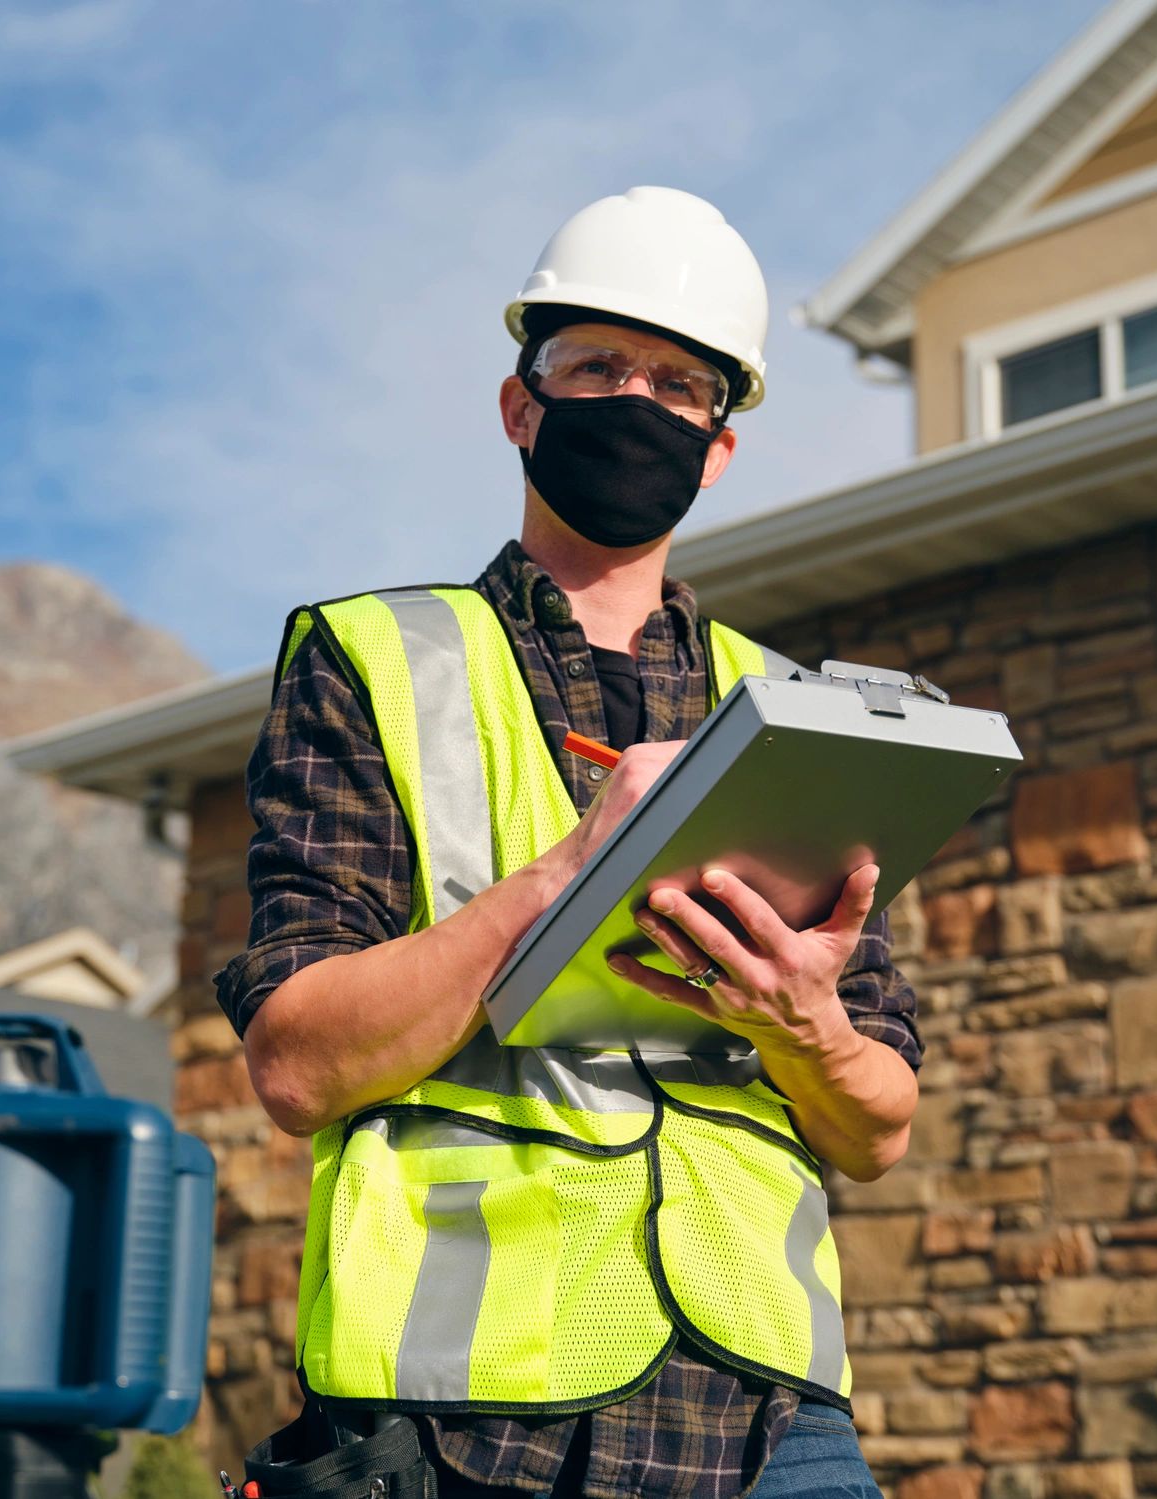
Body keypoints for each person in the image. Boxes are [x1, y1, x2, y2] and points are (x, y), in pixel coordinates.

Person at [217, 186, 920, 1499]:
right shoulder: (377, 663)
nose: (636, 402)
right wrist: (560, 879)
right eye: (596, 366)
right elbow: (299, 1065)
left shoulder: (794, 714)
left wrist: (805, 1026)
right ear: (519, 405)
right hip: (461, 1414)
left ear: (717, 448)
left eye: (677, 383)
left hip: (766, 1415)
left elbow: (878, 1123)